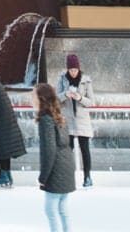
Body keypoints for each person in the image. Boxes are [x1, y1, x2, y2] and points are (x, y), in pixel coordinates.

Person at [33, 82, 75, 232]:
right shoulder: (59, 115)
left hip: (56, 169)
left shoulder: (46, 119)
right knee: (62, 208)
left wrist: (43, 177)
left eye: (34, 96)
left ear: (41, 99)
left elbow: (49, 150)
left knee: (50, 210)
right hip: (66, 165)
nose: (32, 99)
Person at [56, 53, 94, 188]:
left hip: (82, 119)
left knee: (85, 149)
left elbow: (92, 102)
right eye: (71, 70)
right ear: (67, 69)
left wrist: (80, 98)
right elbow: (55, 99)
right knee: (68, 150)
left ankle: (87, 177)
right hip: (67, 119)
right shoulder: (61, 79)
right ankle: (67, 176)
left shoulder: (86, 81)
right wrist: (64, 95)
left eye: (75, 70)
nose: (73, 72)